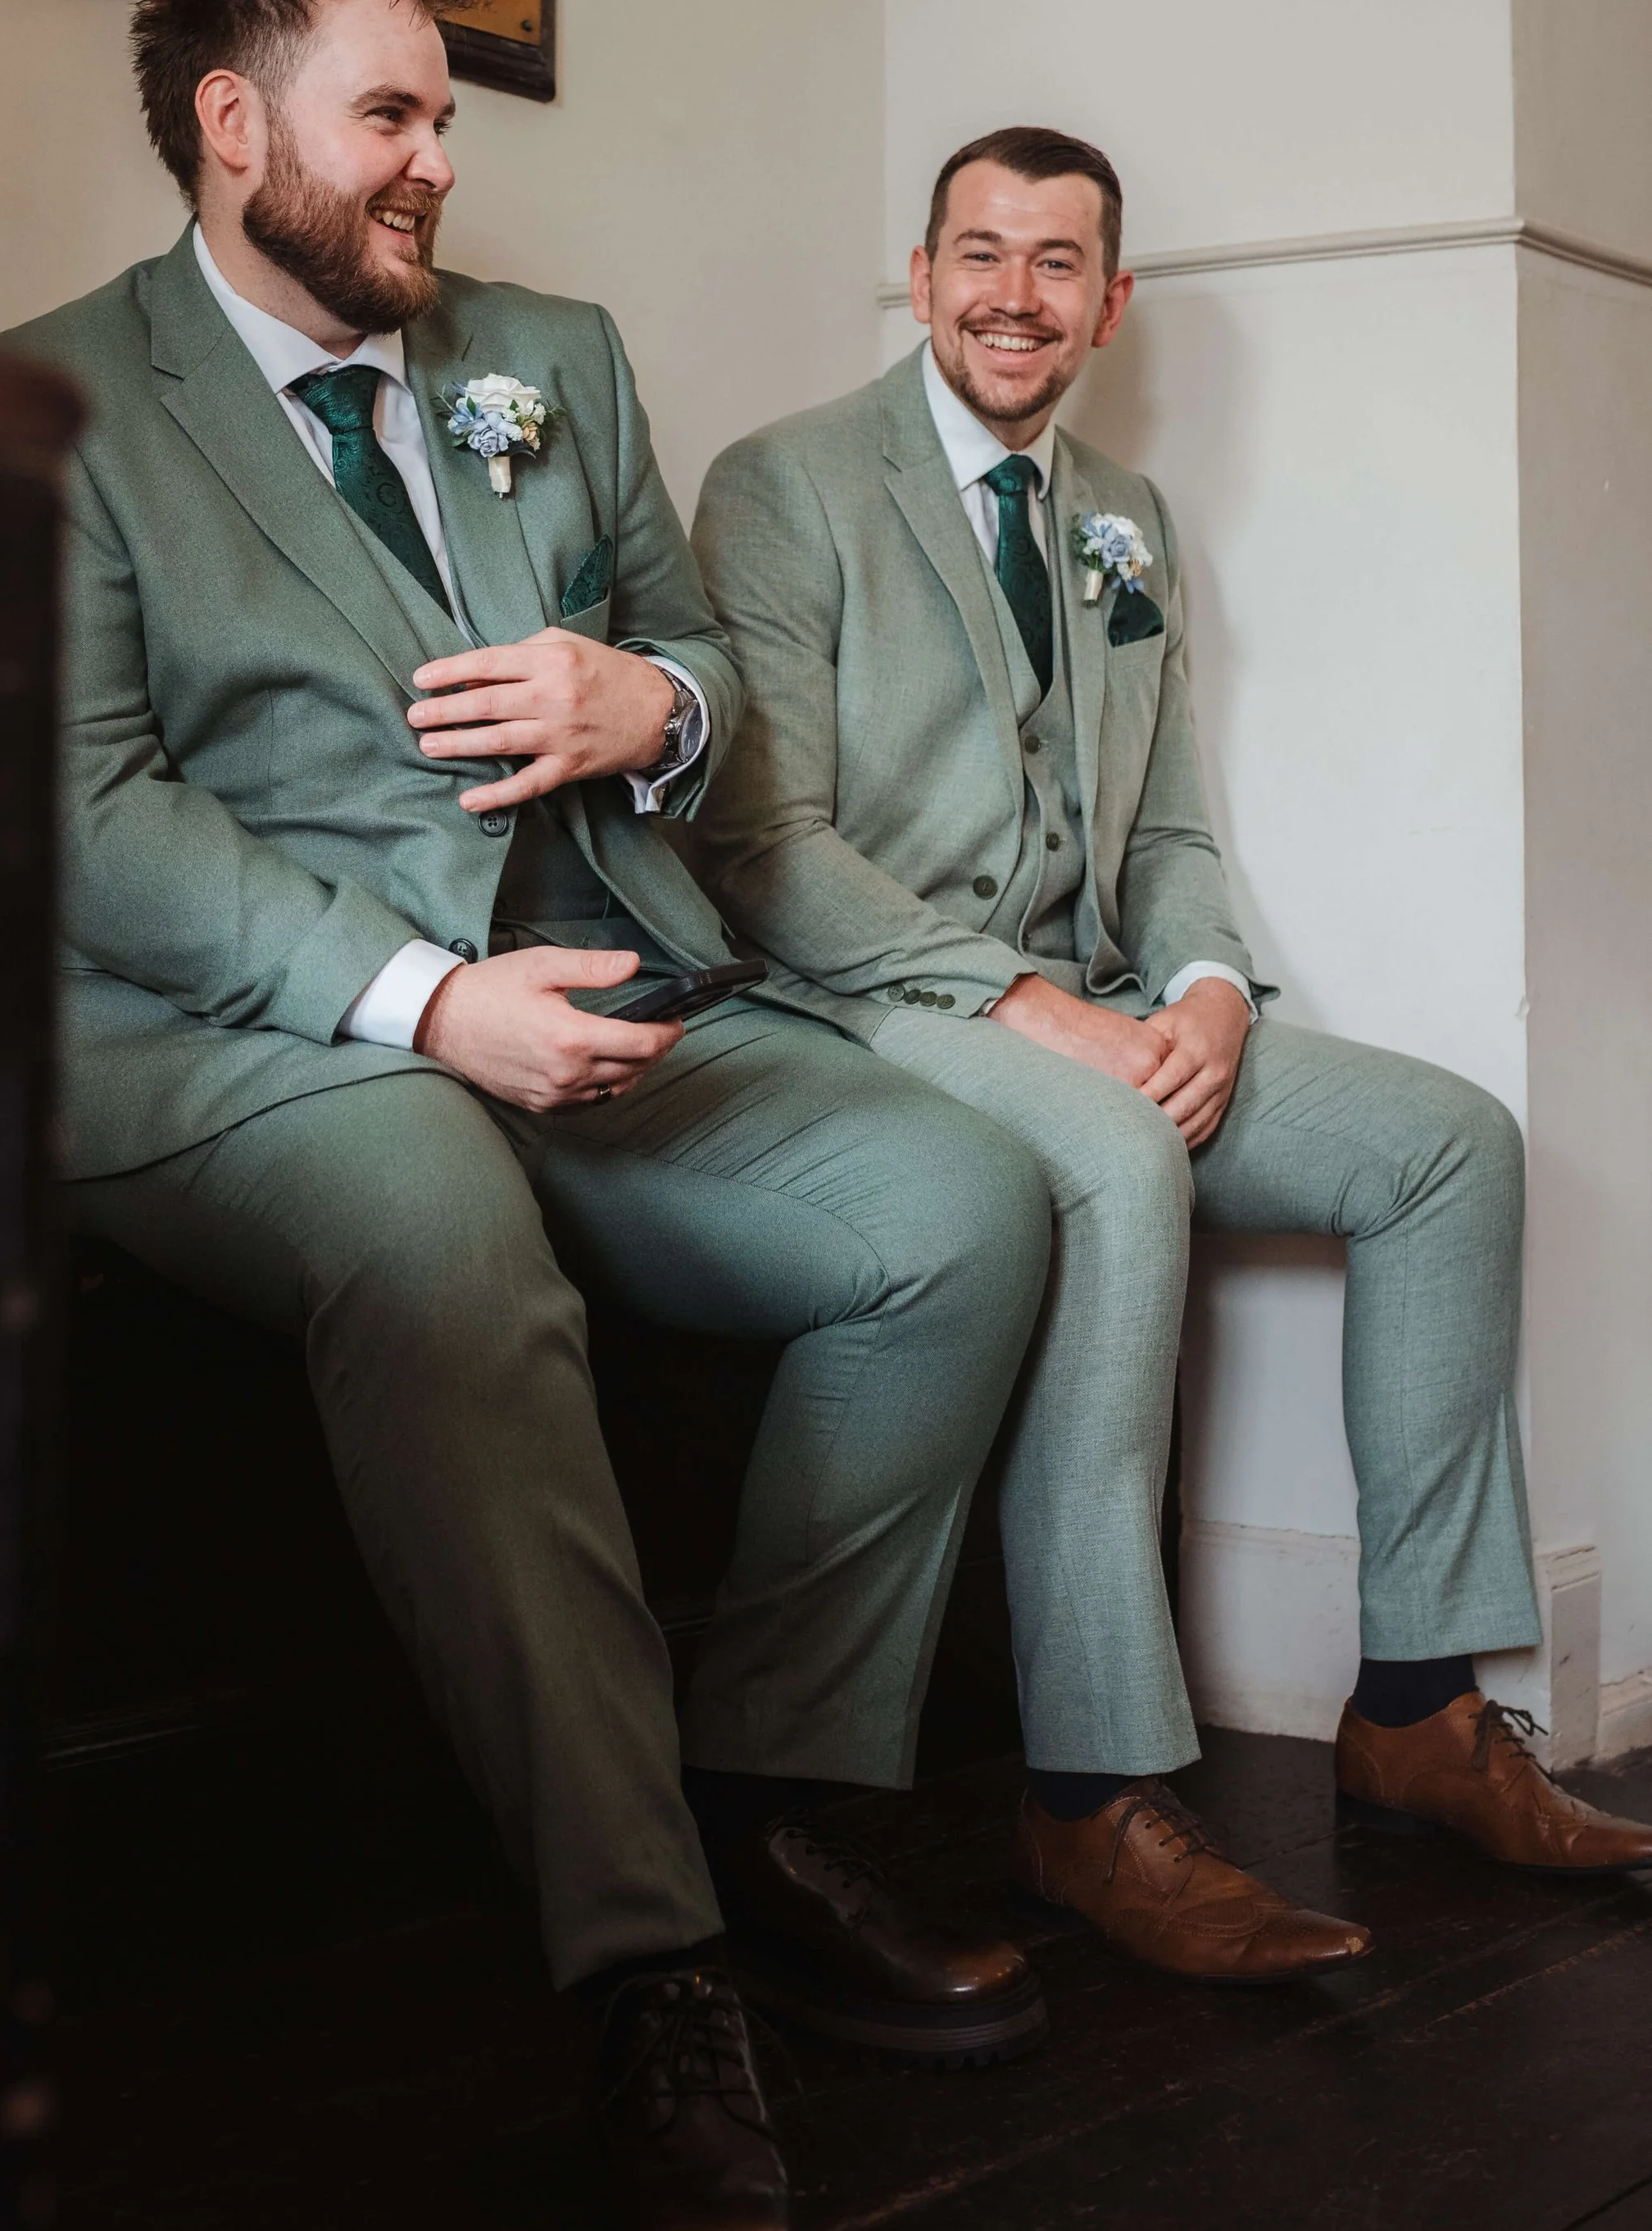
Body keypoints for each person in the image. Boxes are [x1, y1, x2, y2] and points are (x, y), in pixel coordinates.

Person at [0, 0, 1063, 2229]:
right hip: (257, 1037)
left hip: (603, 991)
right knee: (437, 1225)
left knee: (964, 1204)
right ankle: (645, 1954)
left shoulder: (545, 356)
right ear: (229, 121)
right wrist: (418, 999)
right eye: (389, 114)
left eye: (444, 119)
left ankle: (771, 1777)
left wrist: (642, 702)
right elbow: (85, 812)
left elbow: (692, 644)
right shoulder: (50, 404)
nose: (435, 166)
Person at [691, 125, 1652, 1982]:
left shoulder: (1119, 510)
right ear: (919, 276)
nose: (1011, 296)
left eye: (1056, 264)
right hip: (870, 1003)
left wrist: (1207, 991)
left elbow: (1171, 838)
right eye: (978, 253)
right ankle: (1089, 1800)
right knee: (1117, 1156)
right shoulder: (783, 483)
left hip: (1102, 1005)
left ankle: (1414, 1708)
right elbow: (760, 846)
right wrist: (1022, 1005)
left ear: (1109, 304)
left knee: (1448, 1144)